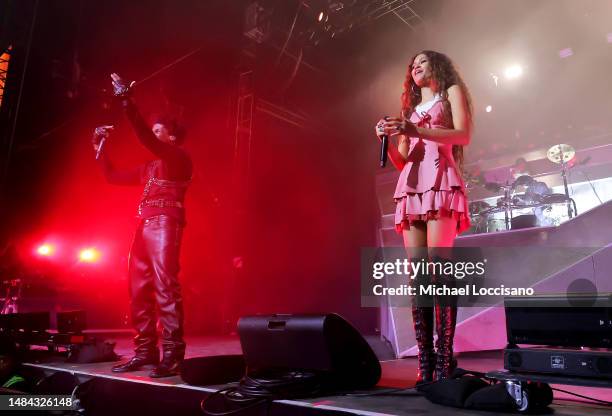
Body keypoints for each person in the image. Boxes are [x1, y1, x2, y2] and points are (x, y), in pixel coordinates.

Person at [375, 50, 473, 383]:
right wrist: (390, 139)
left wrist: (414, 129)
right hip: (412, 184)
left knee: (439, 269)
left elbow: (462, 135)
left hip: (440, 179)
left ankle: (445, 360)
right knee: (417, 276)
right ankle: (425, 363)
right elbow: (403, 160)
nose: (415, 67)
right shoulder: (410, 112)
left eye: (422, 62)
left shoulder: (452, 93)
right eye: (412, 65)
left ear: (438, 66)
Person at [92, 73, 192, 378]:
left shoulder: (178, 157)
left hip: (164, 224)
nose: (153, 133)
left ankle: (172, 354)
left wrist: (127, 101)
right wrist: (99, 148)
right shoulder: (149, 167)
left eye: (159, 129)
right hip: (144, 225)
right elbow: (112, 177)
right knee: (138, 291)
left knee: (165, 287)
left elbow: (145, 139)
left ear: (172, 136)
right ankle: (145, 352)